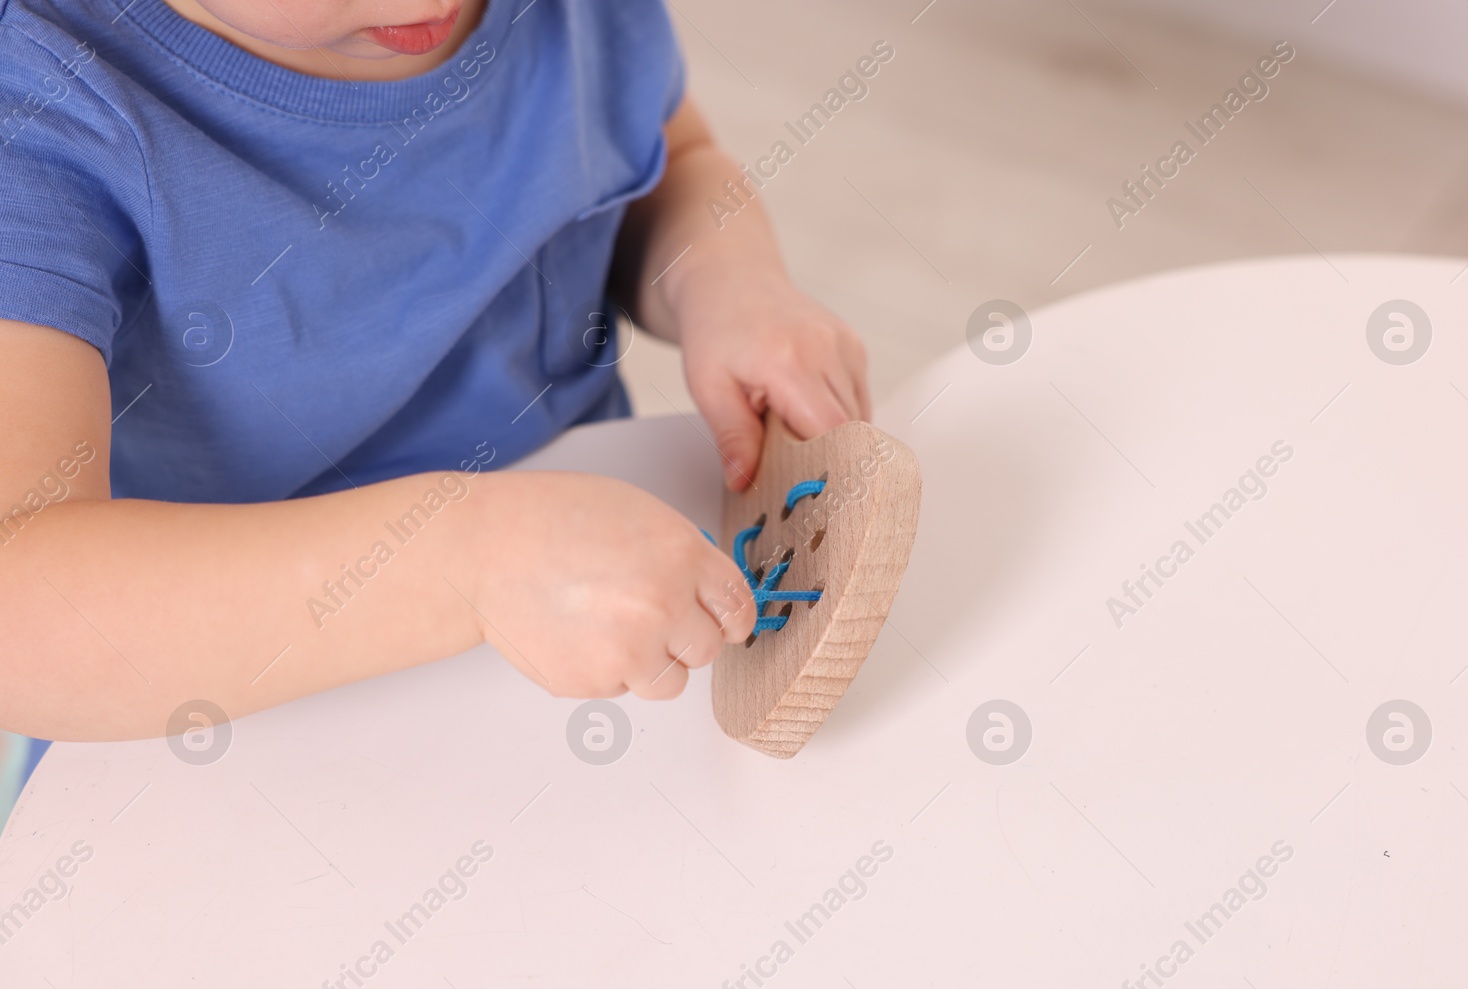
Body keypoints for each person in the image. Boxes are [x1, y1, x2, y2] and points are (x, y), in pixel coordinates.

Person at [0, 0, 870, 757]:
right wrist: (464, 562)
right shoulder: (41, 114)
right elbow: (24, 609)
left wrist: (723, 276)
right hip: (226, 717)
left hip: (607, 626)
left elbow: (668, 163)